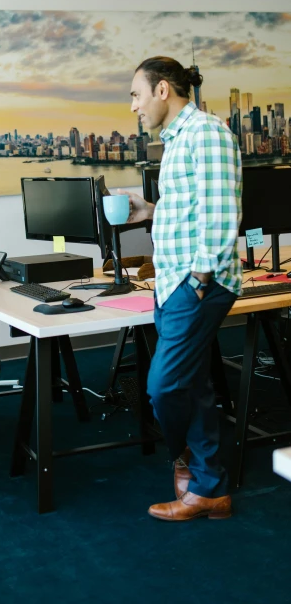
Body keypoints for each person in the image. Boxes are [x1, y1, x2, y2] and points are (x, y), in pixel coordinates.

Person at [121, 56, 242, 522]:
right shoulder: (177, 140)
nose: (133, 105)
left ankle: (186, 460)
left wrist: (200, 280)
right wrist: (150, 210)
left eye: (136, 94)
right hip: (175, 281)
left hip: (194, 284)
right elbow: (193, 207)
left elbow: (220, 213)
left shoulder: (206, 134)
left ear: (163, 90)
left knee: (163, 387)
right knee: (192, 385)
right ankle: (210, 490)